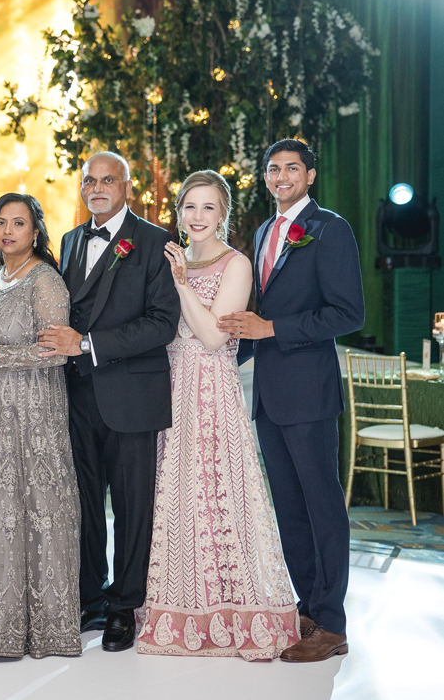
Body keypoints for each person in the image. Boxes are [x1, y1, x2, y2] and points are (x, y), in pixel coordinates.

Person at [138, 171, 300, 660]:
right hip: (166, 386)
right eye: (190, 206)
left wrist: (182, 284)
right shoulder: (169, 257)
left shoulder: (237, 264)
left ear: (223, 214)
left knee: (215, 492)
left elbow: (212, 338)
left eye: (208, 207)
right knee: (174, 494)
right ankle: (178, 602)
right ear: (179, 212)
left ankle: (230, 606)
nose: (198, 216)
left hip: (209, 390)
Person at [219, 140, 365, 662]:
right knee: (289, 509)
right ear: (265, 177)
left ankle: (333, 624)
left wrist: (272, 328)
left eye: (292, 168)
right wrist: (216, 358)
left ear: (310, 175)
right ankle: (308, 608)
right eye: (273, 169)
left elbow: (348, 313)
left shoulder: (330, 229)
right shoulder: (264, 232)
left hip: (310, 393)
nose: (281, 176)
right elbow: (257, 315)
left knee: (323, 508)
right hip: (269, 396)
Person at [39, 151, 180, 652]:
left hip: (132, 395)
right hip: (76, 394)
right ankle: (91, 598)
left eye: (108, 180)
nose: (97, 188)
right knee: (83, 504)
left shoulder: (156, 241)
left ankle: (125, 606)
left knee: (131, 506)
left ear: (127, 186)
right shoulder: (70, 240)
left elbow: (162, 323)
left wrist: (87, 344)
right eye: (89, 181)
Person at [0, 193, 81, 659]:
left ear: (35, 231)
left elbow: (56, 351)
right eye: (1, 223)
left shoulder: (45, 280)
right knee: (0, 511)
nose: (8, 231)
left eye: (18, 223)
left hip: (32, 413)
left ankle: (48, 628)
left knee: (38, 508)